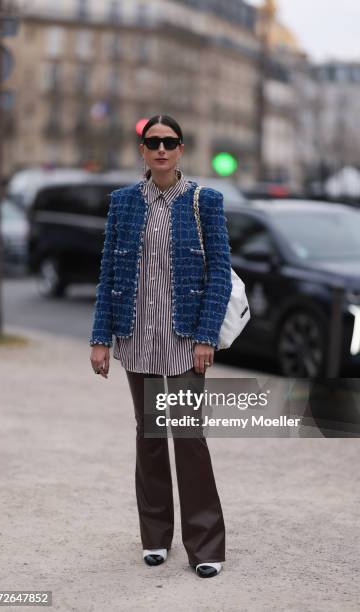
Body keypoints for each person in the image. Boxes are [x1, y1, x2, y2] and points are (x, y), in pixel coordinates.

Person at [89, 114, 232, 578]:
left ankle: (205, 545)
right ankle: (155, 538)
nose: (162, 149)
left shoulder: (203, 201)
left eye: (170, 142)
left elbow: (220, 276)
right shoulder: (124, 203)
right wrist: (100, 338)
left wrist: (207, 336)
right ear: (143, 150)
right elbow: (109, 271)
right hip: (137, 337)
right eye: (154, 142)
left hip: (186, 340)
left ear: (182, 149)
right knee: (149, 436)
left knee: (188, 438)